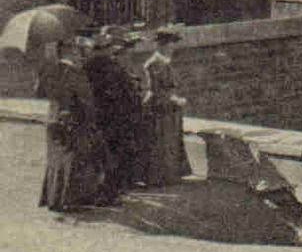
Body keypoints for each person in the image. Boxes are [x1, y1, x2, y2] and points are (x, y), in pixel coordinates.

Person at [38, 34, 107, 212]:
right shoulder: (75, 73)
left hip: (54, 119)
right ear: (69, 51)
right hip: (74, 121)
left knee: (56, 160)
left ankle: (54, 199)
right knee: (73, 160)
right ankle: (70, 201)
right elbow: (85, 100)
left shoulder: (50, 69)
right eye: (76, 50)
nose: (79, 54)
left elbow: (40, 91)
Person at [83, 26, 145, 202]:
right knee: (117, 155)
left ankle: (100, 191)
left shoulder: (86, 66)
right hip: (116, 118)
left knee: (101, 156)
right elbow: (125, 92)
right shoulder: (112, 66)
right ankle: (112, 193)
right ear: (107, 48)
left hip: (98, 117)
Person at [141, 24, 191, 186]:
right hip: (161, 107)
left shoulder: (163, 62)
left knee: (169, 141)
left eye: (173, 42)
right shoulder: (155, 63)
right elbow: (157, 90)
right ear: (161, 44)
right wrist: (175, 100)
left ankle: (168, 175)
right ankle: (161, 177)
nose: (173, 46)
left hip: (168, 107)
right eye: (170, 43)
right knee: (161, 142)